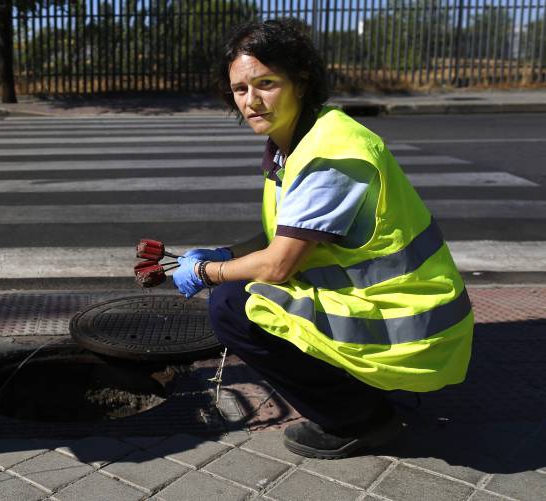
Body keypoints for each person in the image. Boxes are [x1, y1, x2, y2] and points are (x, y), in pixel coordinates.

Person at [172, 18, 474, 460]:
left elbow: (277, 264)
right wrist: (229, 253)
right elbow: (287, 232)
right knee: (251, 288)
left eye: (267, 83)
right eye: (240, 90)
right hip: (395, 311)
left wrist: (206, 271)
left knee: (234, 306)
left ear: (301, 80)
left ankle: (358, 419)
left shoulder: (331, 154)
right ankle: (359, 389)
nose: (252, 101)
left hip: (410, 329)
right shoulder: (301, 139)